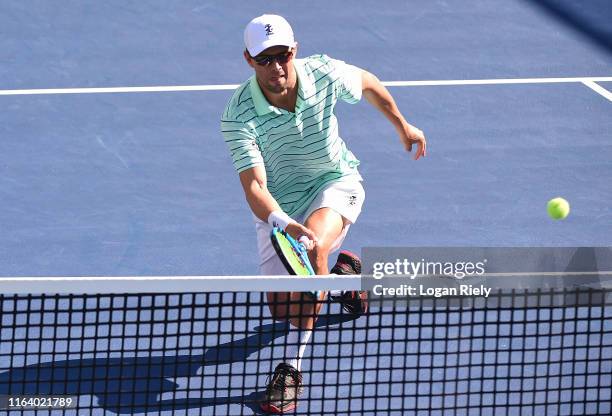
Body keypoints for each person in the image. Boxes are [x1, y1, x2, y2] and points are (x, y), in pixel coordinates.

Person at [220, 14, 426, 414]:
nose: (276, 67)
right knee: (283, 308)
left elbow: (367, 81)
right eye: (265, 59)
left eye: (283, 55)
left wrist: (403, 125)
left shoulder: (323, 73)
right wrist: (282, 222)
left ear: (293, 51)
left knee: (313, 247)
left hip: (336, 181)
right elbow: (256, 188)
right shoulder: (238, 114)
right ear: (249, 59)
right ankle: (344, 278)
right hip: (282, 207)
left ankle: (290, 369)